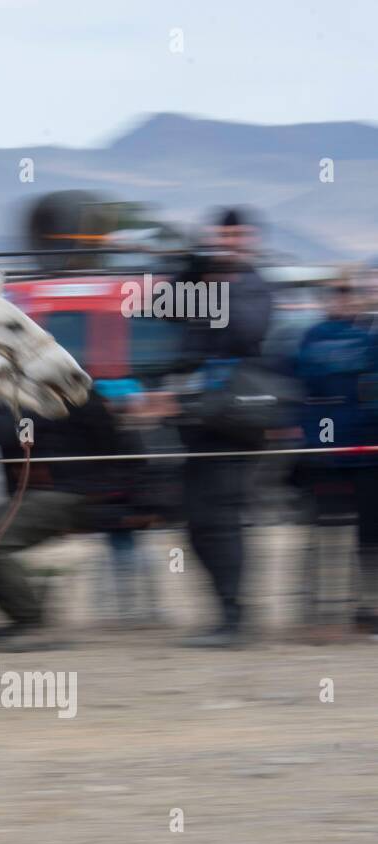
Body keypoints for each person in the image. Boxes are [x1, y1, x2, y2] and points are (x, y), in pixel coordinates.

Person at [0, 389, 146, 651]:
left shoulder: (53, 390)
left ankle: (32, 623)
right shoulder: (34, 387)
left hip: (70, 493)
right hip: (62, 491)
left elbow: (9, 431)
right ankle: (27, 617)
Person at [165, 207, 274, 648]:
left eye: (237, 238)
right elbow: (163, 310)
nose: (229, 244)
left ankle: (235, 618)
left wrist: (219, 284)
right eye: (222, 237)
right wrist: (187, 270)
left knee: (222, 520)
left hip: (236, 420)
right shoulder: (204, 281)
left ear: (250, 241)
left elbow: (247, 333)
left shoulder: (254, 286)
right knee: (197, 523)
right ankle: (225, 613)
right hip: (199, 421)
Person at [291, 268, 378, 635]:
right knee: (339, 536)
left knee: (356, 537)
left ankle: (348, 610)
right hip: (341, 451)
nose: (343, 298)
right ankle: (334, 612)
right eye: (337, 292)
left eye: (347, 292)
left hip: (349, 452)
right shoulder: (352, 339)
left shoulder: (316, 338)